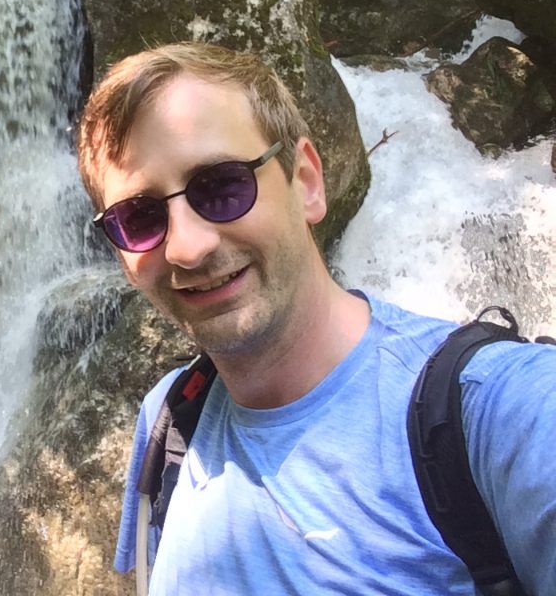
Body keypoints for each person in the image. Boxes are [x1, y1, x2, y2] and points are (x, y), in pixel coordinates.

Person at [75, 42, 556, 594]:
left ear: (306, 180)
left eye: (221, 185)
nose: (186, 247)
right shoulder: (169, 417)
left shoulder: (500, 410)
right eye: (139, 217)